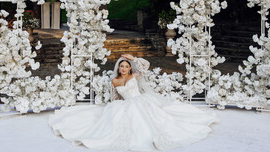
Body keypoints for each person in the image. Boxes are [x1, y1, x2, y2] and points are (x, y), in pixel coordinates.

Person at [49, 54, 219, 151]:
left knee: (153, 118)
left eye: (126, 66)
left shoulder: (134, 76)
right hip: (125, 104)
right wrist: (112, 107)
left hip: (141, 101)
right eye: (121, 66)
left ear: (130, 68)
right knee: (118, 117)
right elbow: (115, 97)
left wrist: (132, 58)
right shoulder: (114, 81)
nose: (123, 68)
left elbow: (146, 65)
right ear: (119, 68)